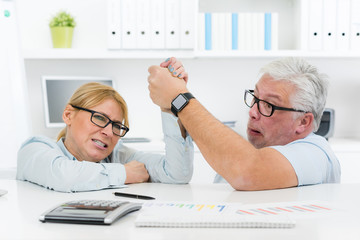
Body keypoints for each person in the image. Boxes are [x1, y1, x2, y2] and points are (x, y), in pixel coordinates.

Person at [147, 57, 341, 191]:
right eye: (255, 98)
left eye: (268, 105)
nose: (253, 112)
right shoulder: (249, 147)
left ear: (303, 122)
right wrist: (169, 103)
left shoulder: (316, 154)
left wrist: (179, 98)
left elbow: (247, 171)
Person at [17, 81, 193, 192]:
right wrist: (124, 173)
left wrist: (172, 104)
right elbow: (64, 175)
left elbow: (177, 174)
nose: (109, 133)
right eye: (100, 118)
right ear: (68, 115)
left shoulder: (119, 155)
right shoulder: (35, 149)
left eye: (117, 126)